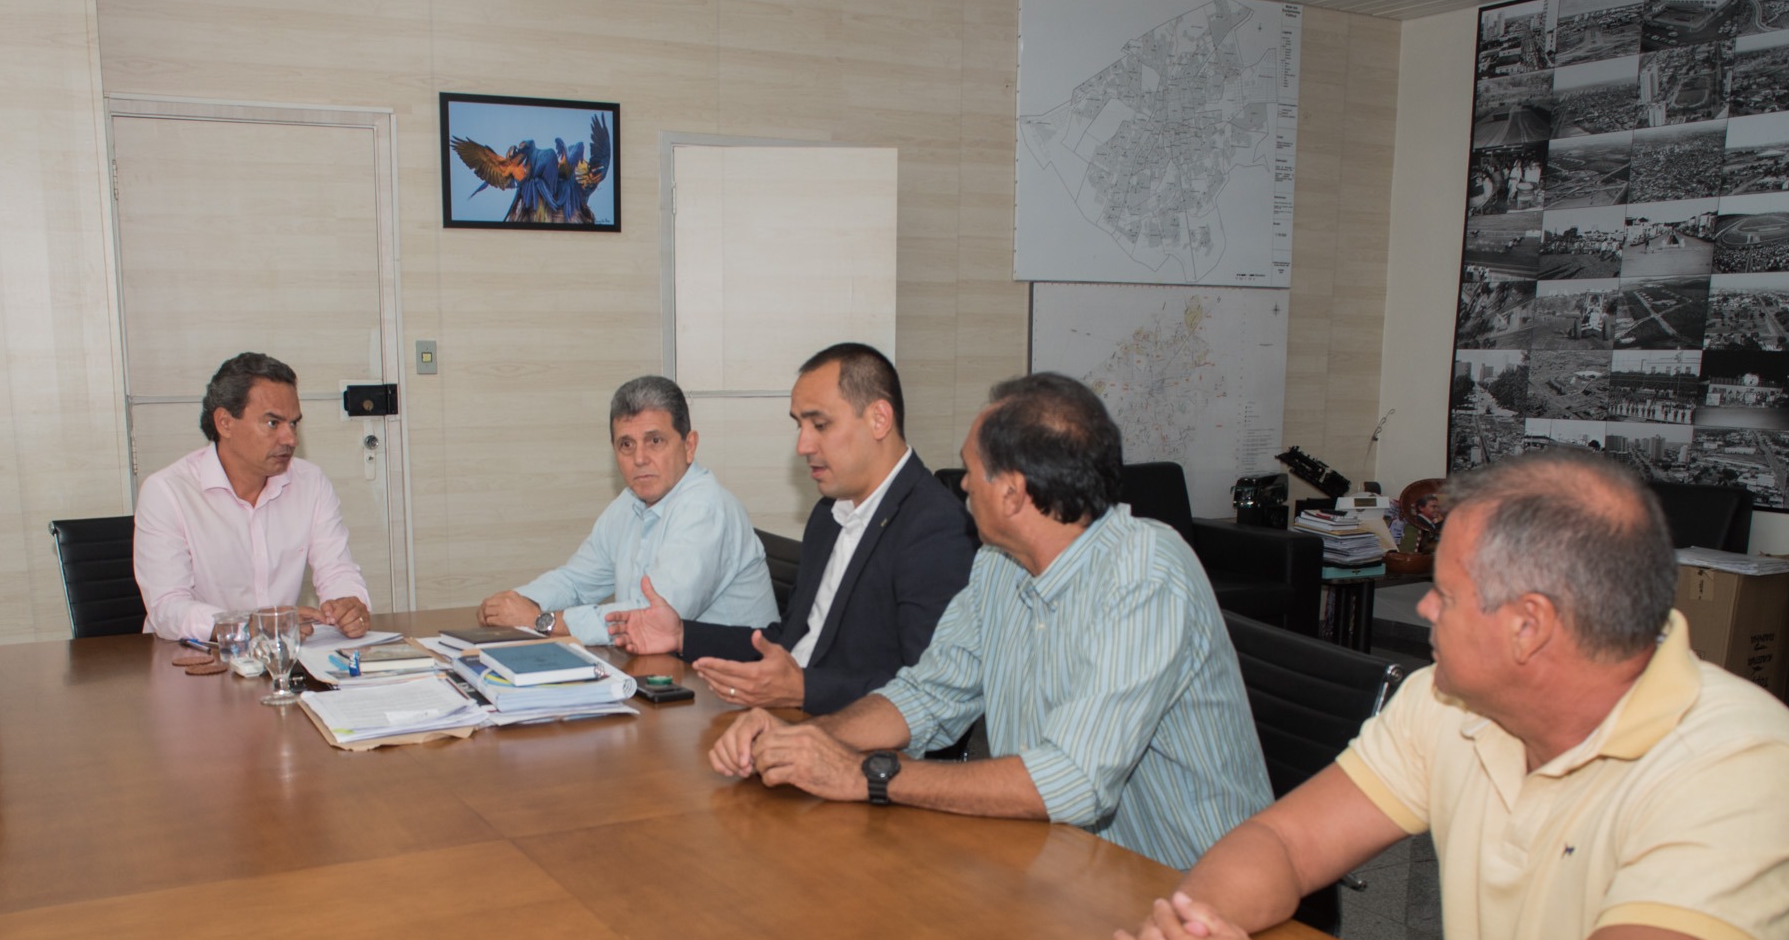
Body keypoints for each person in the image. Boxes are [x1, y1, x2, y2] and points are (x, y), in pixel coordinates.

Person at [1110, 451, 1789, 940]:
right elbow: (1282, 844)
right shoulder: (1447, 704)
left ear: (1527, 627)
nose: (1426, 611)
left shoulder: (1741, 771)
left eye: (1445, 592)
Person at [709, 373, 1270, 870]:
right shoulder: (1000, 566)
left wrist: (865, 775)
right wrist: (803, 739)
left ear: (1014, 492)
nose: (961, 485)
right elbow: (928, 695)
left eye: (972, 470)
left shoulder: (1143, 573)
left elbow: (1073, 782)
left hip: (1186, 889)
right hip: (1059, 864)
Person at [606, 343, 976, 714]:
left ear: (879, 419)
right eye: (800, 425)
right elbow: (789, 641)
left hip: (856, 739)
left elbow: (930, 692)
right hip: (787, 717)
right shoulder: (828, 514)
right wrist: (682, 635)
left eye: (820, 424)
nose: (802, 445)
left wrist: (803, 690)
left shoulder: (934, 526)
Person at [476, 375, 776, 646]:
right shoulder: (631, 501)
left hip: (733, 685)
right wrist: (517, 603)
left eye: (655, 441)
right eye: (626, 445)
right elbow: (577, 581)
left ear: (689, 445)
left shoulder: (706, 508)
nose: (640, 458)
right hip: (665, 672)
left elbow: (652, 618)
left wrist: (541, 621)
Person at [134, 352, 373, 643]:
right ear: (224, 423)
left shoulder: (310, 483)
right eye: (273, 423)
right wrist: (250, 625)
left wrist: (348, 604)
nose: (291, 439)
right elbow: (167, 609)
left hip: (285, 659)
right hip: (195, 659)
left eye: (294, 424)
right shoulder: (167, 492)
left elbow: (336, 569)